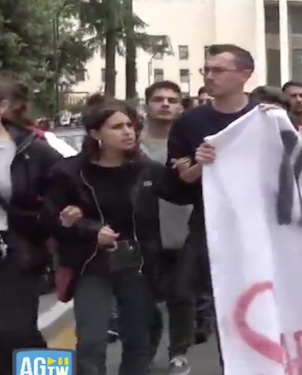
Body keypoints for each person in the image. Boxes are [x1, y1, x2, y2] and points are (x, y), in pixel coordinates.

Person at [45, 98, 182, 375]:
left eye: (130, 125)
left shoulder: (148, 171)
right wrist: (87, 228)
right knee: (92, 338)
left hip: (138, 262)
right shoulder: (68, 172)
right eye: (117, 127)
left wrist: (195, 169)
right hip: (90, 263)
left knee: (137, 336)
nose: (128, 132)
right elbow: (50, 217)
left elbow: (183, 195)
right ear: (96, 134)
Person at [165, 44, 260, 367]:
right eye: (206, 70)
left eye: (218, 70)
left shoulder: (267, 117)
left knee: (262, 307)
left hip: (263, 230)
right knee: (221, 307)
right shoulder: (188, 123)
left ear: (245, 74)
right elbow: (181, 180)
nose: (209, 76)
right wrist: (199, 164)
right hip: (211, 229)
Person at [0, 78, 63, 375]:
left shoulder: (31, 148)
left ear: (3, 106)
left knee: (12, 330)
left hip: (18, 247)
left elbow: (68, 188)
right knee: (18, 335)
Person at [139, 81, 195, 375]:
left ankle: (179, 353)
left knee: (181, 294)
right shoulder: (131, 145)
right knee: (144, 299)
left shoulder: (191, 145)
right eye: (158, 99)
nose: (165, 104)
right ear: (146, 105)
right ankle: (145, 352)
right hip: (141, 234)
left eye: (172, 100)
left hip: (183, 229)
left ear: (181, 108)